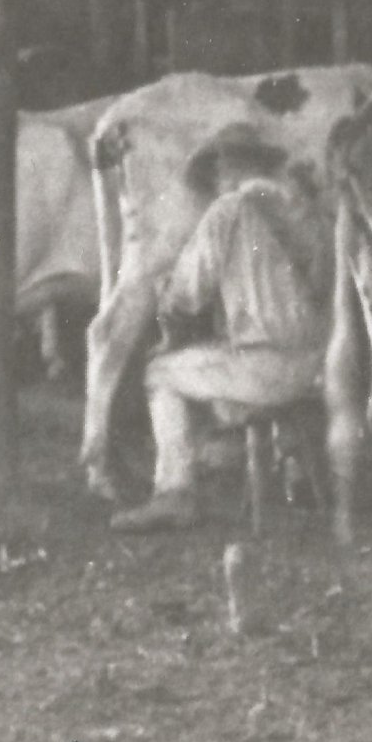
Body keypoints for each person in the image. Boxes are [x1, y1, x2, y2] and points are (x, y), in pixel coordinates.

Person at [110, 123, 329, 534]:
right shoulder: (304, 211)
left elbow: (187, 292)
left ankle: (175, 493)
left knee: (159, 374)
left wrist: (166, 312)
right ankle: (293, 466)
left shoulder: (229, 210)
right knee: (223, 358)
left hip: (266, 368)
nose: (214, 183)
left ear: (227, 169)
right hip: (317, 365)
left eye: (217, 173)